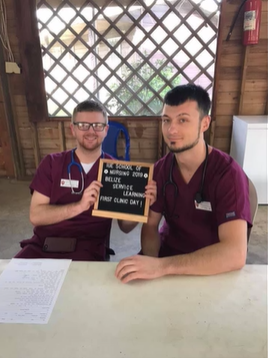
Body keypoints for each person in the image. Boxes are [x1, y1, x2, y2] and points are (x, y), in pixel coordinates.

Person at [115, 84, 251, 283]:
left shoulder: (227, 174)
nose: (171, 129)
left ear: (205, 123)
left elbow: (235, 253)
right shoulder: (161, 170)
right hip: (166, 258)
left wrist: (162, 267)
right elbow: (151, 227)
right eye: (166, 120)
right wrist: (152, 266)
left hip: (211, 268)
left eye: (183, 120)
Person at [15, 100, 156, 261]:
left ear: (106, 130)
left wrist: (140, 205)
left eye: (97, 125)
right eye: (83, 125)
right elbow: (36, 216)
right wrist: (79, 206)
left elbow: (125, 227)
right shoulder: (52, 163)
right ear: (73, 129)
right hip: (43, 246)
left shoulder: (118, 170)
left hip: (89, 249)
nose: (91, 131)